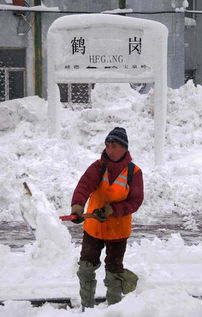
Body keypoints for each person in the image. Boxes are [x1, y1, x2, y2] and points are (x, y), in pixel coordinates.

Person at [70, 127, 144, 309]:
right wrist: (77, 206)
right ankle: (86, 309)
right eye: (107, 145)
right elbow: (84, 185)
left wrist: (113, 209)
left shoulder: (134, 173)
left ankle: (114, 309)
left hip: (118, 231)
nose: (109, 150)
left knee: (114, 272)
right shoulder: (98, 166)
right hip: (93, 228)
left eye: (114, 146)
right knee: (86, 268)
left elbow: (135, 201)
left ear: (124, 148)